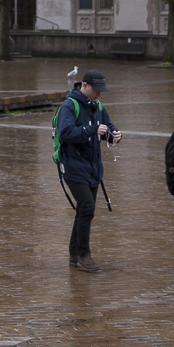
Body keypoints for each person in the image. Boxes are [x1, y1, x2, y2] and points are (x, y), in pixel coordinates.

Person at [55, 70, 122, 274]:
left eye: (102, 90)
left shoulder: (98, 106)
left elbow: (107, 127)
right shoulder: (69, 105)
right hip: (73, 167)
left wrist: (114, 135)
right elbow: (65, 132)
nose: (99, 94)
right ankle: (84, 254)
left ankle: (75, 254)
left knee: (84, 211)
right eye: (96, 90)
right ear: (84, 85)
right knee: (87, 208)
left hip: (93, 168)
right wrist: (91, 130)